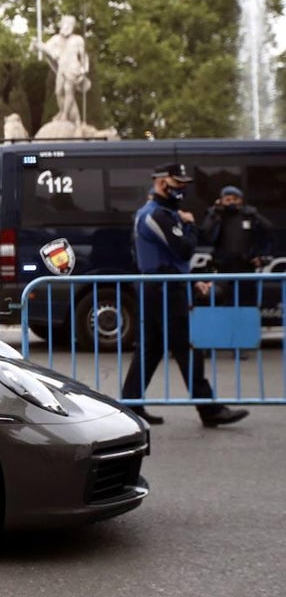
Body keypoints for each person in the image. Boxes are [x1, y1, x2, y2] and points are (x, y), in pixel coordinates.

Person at [120, 163, 248, 428]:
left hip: (163, 286)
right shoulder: (156, 214)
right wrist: (188, 224)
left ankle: (130, 406)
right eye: (177, 182)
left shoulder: (161, 212)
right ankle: (209, 409)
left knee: (151, 349)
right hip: (163, 289)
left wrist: (190, 282)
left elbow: (169, 258)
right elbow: (183, 250)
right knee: (186, 347)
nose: (182, 188)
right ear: (161, 181)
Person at [201, 185, 274, 308]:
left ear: (241, 200)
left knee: (247, 303)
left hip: (245, 268)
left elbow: (269, 230)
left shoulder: (249, 215)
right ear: (221, 200)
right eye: (227, 199)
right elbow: (205, 235)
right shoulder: (217, 215)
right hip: (221, 269)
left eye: (235, 199)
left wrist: (261, 255)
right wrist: (215, 212)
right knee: (221, 301)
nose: (231, 202)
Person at [31, 14, 90, 127]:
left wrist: (84, 69)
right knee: (58, 92)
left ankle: (65, 115)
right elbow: (44, 48)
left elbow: (83, 56)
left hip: (73, 67)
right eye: (65, 24)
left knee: (69, 90)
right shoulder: (56, 39)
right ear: (62, 25)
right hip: (62, 68)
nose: (67, 26)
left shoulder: (78, 39)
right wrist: (36, 44)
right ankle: (65, 112)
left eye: (70, 24)